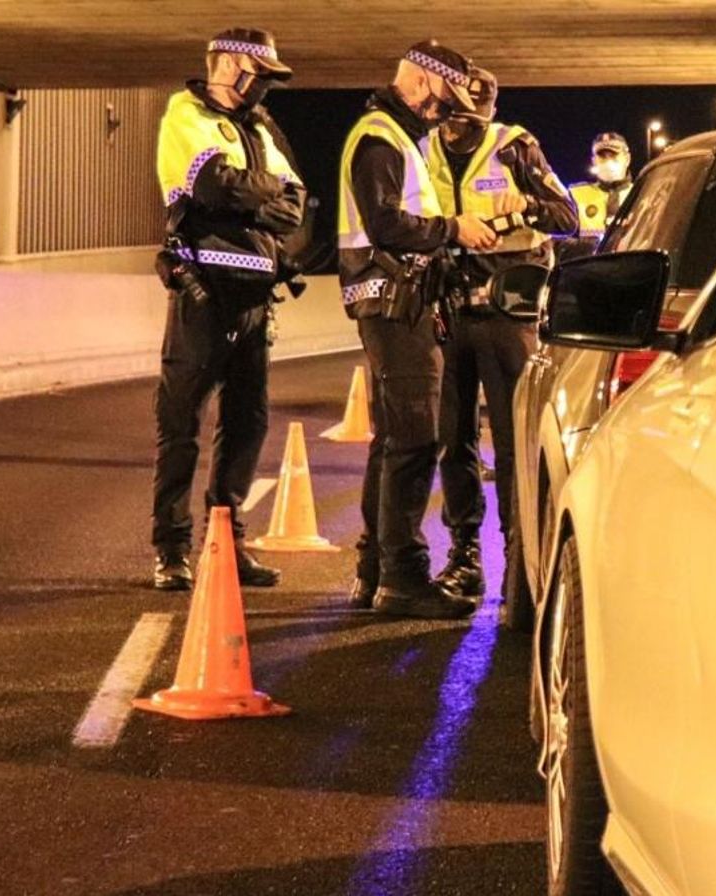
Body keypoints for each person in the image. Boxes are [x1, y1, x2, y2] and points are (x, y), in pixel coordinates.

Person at [338, 40, 499, 619]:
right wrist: (452, 228)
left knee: (391, 443)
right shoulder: (382, 135)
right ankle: (403, 579)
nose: (445, 111)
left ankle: (375, 571)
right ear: (427, 82)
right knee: (413, 440)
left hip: (390, 299)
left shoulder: (397, 137)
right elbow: (383, 222)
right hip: (394, 301)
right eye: (446, 98)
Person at [151, 27, 303, 591]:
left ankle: (226, 543)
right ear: (233, 65)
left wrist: (255, 193)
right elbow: (213, 187)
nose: (266, 86)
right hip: (203, 294)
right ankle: (171, 549)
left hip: (255, 296)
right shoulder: (184, 114)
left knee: (247, 424)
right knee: (181, 424)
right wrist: (263, 195)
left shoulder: (261, 129)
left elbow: (295, 205)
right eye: (261, 74)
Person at [425, 66, 579, 609]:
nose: (451, 128)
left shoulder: (515, 147)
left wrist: (527, 206)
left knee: (514, 441)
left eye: (463, 120)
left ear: (483, 114)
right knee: (453, 437)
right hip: (449, 309)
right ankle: (465, 556)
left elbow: (568, 215)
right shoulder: (423, 149)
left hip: (507, 313)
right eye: (446, 116)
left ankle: (519, 558)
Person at [564, 132, 634, 256]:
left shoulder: (640, 194)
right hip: (588, 270)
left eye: (613, 155)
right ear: (594, 161)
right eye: (602, 156)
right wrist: (591, 245)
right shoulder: (576, 195)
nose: (608, 161)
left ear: (627, 159)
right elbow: (560, 241)